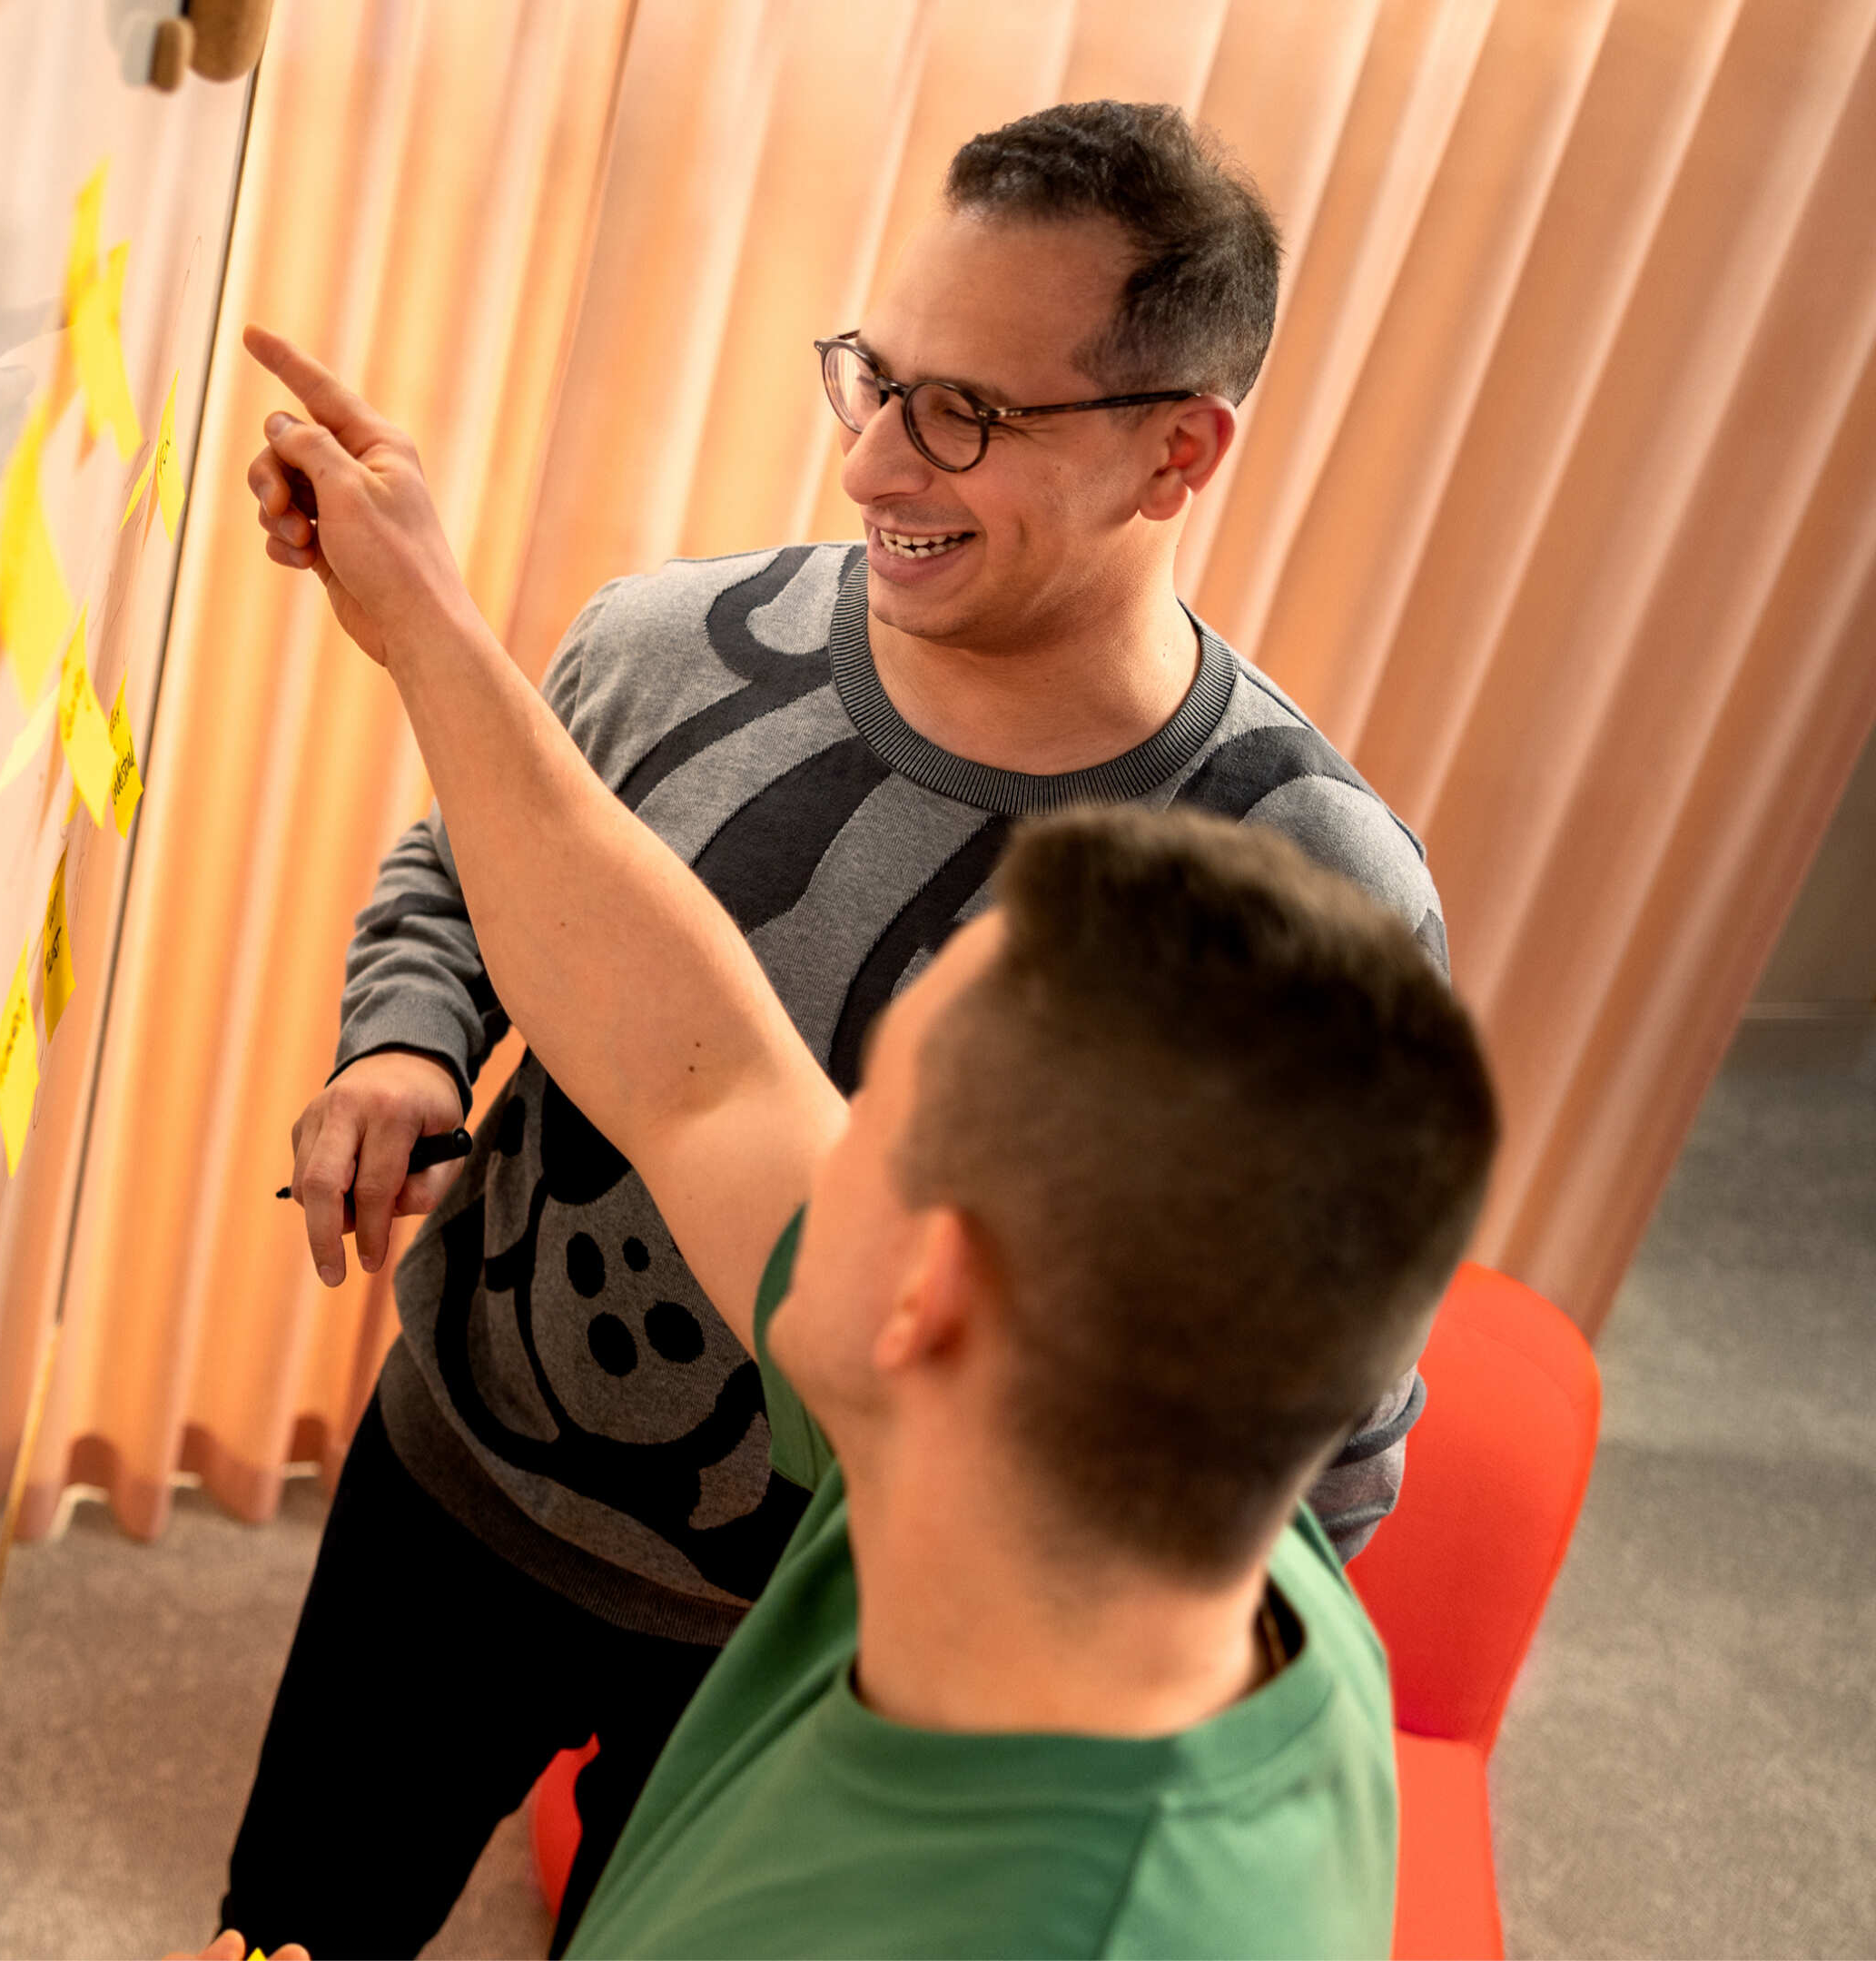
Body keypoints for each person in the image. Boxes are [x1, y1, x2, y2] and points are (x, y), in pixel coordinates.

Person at [225, 102, 1451, 1954]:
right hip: (466, 1493)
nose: (877, 458)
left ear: (1178, 455)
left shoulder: (1302, 893)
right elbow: (688, 1064)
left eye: (967, 412)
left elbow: (1334, 1418)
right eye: (876, 377)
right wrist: (429, 665)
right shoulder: (667, 646)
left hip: (764, 1636)